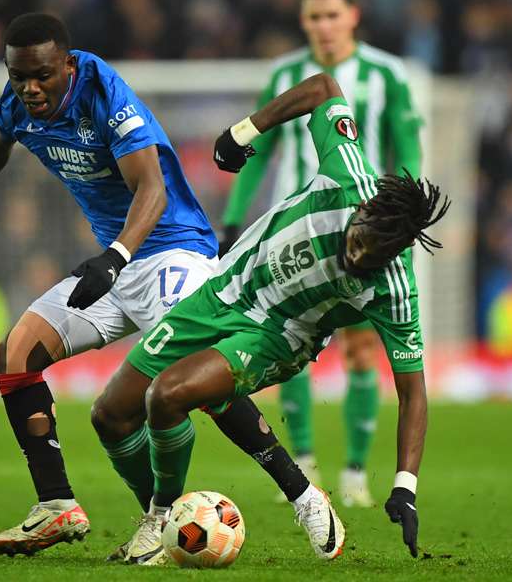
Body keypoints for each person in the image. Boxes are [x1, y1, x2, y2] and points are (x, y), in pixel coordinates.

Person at [0, 13, 303, 562]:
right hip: (113, 264)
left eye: (41, 75)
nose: (29, 88)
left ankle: (302, 493)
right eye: (17, 76)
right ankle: (59, 505)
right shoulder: (17, 105)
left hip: (171, 249)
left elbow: (150, 187)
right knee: (13, 357)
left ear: (68, 63)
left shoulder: (103, 90)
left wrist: (117, 256)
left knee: (195, 375)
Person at [92, 72, 449, 561]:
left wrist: (405, 485)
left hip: (279, 335)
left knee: (169, 396)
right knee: (110, 413)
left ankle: (159, 521)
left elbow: (413, 391)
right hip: (223, 290)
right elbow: (324, 88)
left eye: (372, 255)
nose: (357, 252)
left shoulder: (394, 290)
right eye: (359, 236)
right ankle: (305, 495)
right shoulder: (347, 174)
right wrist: (246, 131)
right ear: (364, 207)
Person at [219, 0, 423, 506]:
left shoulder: (385, 75)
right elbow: (260, 152)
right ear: (304, 22)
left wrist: (398, 221)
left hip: (363, 229)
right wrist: (234, 215)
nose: (323, 26)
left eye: (332, 15)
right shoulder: (287, 76)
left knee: (359, 348)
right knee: (290, 332)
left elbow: (408, 145)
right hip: (300, 232)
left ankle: (355, 469)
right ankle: (304, 459)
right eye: (314, 18)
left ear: (352, 16)